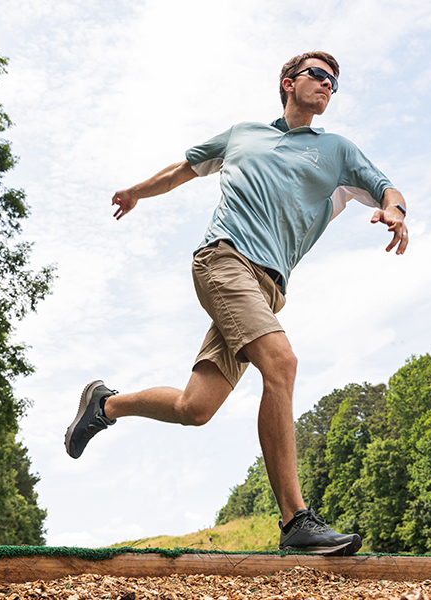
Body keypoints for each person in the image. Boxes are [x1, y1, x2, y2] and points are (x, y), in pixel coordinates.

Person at [65, 51, 408, 556]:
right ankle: (296, 520)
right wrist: (137, 191)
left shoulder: (336, 151)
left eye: (335, 81)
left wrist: (396, 212)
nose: (328, 85)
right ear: (288, 82)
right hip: (223, 260)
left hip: (268, 289)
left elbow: (386, 187)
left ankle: (105, 404)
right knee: (282, 363)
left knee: (195, 407)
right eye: (319, 75)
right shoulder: (243, 134)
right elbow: (185, 168)